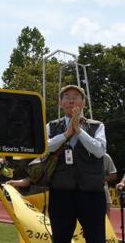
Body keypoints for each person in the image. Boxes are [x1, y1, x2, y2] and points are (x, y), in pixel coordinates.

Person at [46, 85, 106, 243]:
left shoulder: (97, 126)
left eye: (76, 97)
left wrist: (78, 130)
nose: (71, 100)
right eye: (66, 97)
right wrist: (66, 134)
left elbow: (99, 151)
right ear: (60, 103)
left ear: (84, 103)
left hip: (92, 193)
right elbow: (44, 149)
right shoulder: (51, 126)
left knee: (96, 239)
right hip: (61, 193)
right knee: (60, 239)